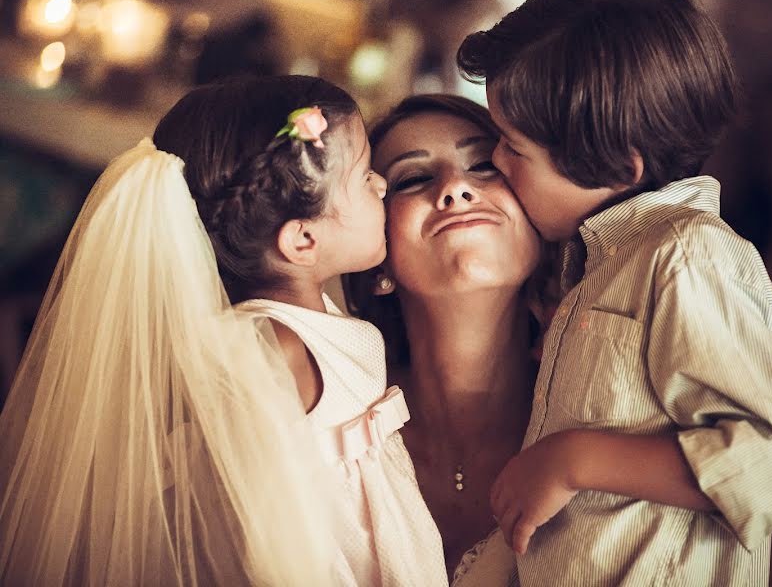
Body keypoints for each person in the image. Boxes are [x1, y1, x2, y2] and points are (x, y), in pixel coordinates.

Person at [0, 76, 446, 586]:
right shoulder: (268, 348)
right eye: (365, 175)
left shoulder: (310, 316)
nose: (382, 184)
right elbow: (231, 505)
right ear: (303, 239)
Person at [456, 0, 772, 585]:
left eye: (514, 148)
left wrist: (575, 460)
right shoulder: (597, 261)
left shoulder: (688, 257)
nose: (496, 161)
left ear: (617, 168)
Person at [344, 94, 553, 582]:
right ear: (376, 253)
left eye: (483, 166)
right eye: (413, 179)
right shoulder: (332, 424)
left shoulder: (601, 420)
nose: (456, 188)